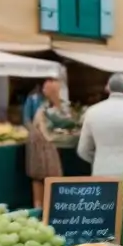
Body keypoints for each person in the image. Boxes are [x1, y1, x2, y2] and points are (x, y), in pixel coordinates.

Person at [26, 77, 72, 207]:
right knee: (48, 177)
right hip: (42, 144)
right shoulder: (46, 106)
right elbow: (64, 122)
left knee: (40, 177)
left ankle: (41, 209)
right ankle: (47, 209)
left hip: (40, 143)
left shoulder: (47, 105)